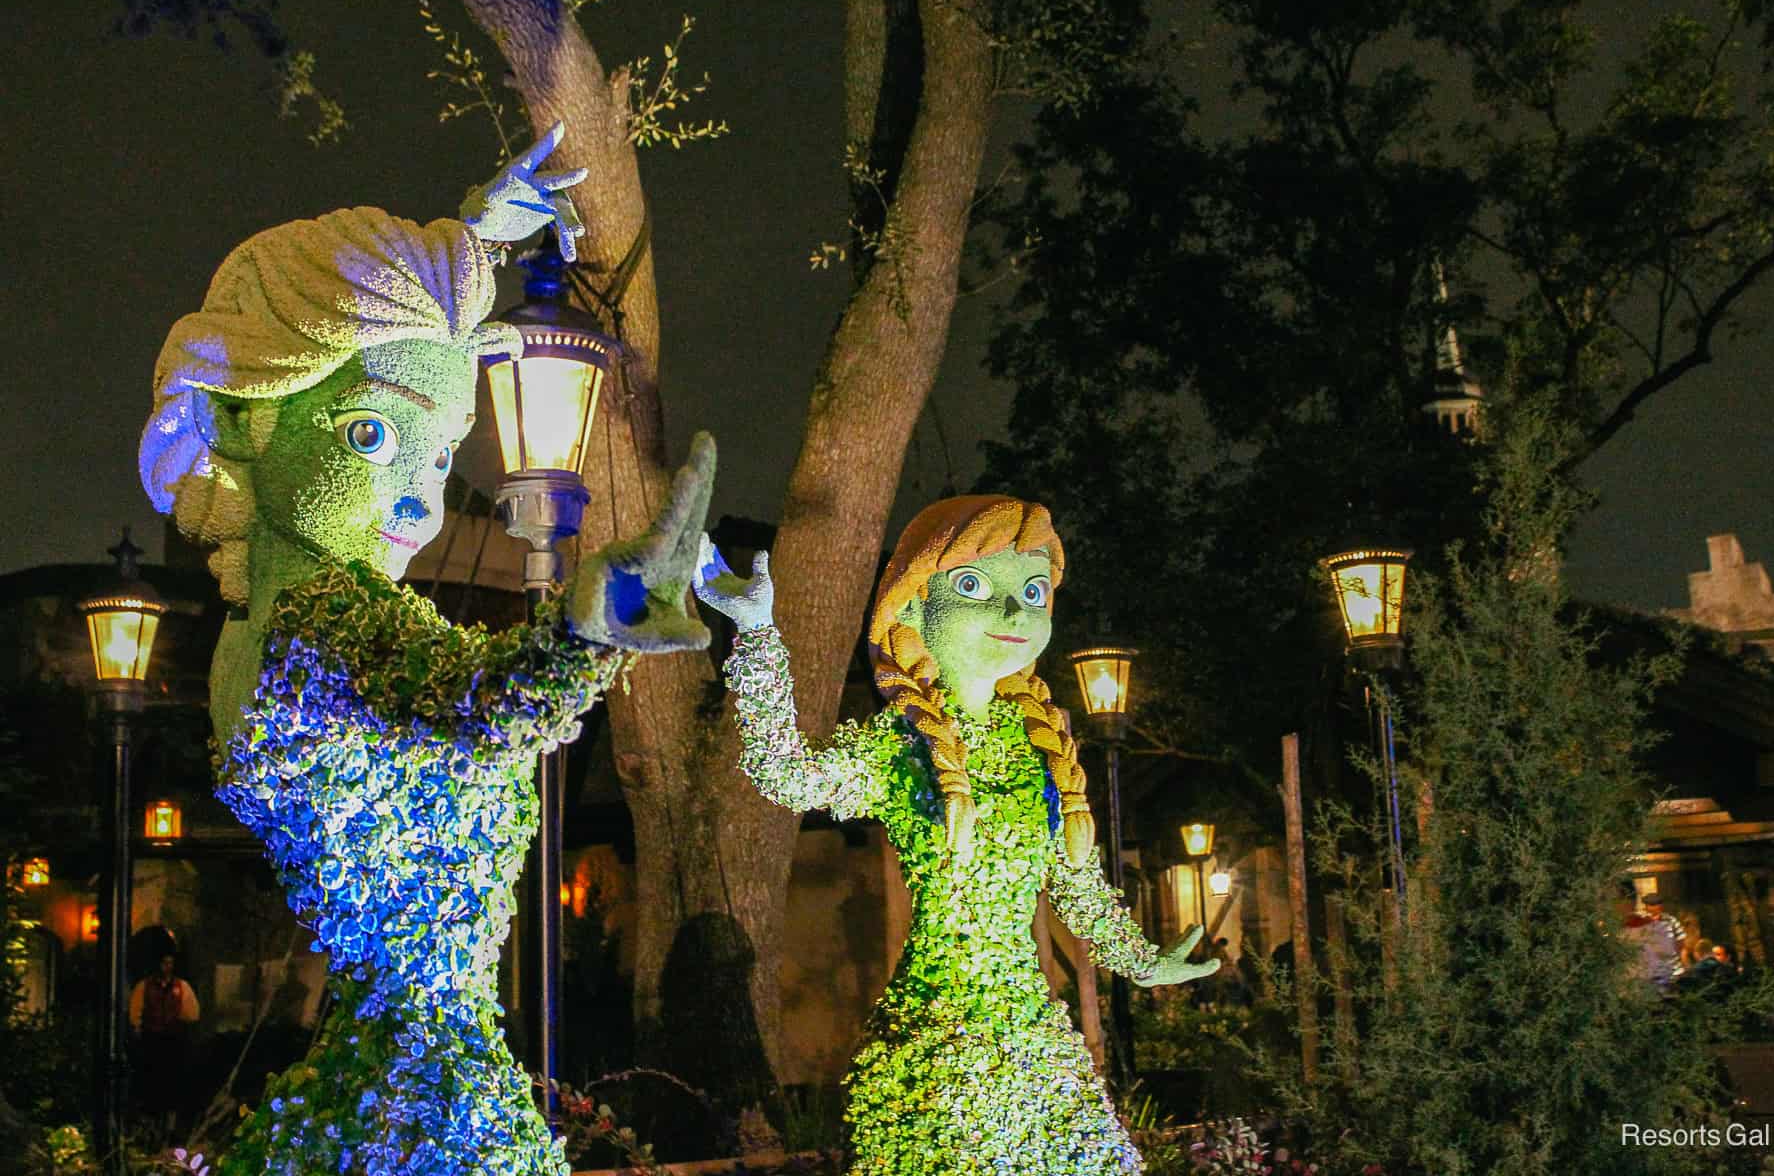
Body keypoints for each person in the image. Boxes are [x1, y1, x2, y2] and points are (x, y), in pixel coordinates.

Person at [139, 123, 717, 1176]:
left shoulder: (273, 633)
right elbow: (486, 699)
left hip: (393, 1074)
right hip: (430, 1102)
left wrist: (474, 241)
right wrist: (589, 632)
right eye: (370, 435)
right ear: (250, 427)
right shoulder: (325, 622)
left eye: (443, 452)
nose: (419, 494)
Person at [695, 495, 1218, 1176]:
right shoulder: (901, 748)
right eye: (974, 586)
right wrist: (759, 633)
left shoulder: (1041, 748)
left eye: (1032, 592)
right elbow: (787, 776)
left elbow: (1079, 888)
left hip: (1037, 1042)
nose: (1013, 614)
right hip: (939, 1049)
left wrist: (1145, 962)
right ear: (912, 607)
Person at [129, 953, 201, 1137]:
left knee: (172, 1084)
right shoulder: (145, 986)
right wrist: (138, 1028)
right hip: (152, 1039)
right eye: (163, 963)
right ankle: (153, 1126)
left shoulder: (181, 986)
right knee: (152, 1083)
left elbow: (191, 1013)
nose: (166, 967)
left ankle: (170, 1127)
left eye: (169, 963)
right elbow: (135, 1012)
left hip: (173, 1040)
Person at [1639, 893, 1687, 994]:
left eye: (1655, 905)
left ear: (1660, 906)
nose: (1653, 908)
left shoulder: (1671, 921)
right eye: (1650, 905)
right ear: (1646, 907)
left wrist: (1684, 967)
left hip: (1673, 971)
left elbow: (1682, 944)